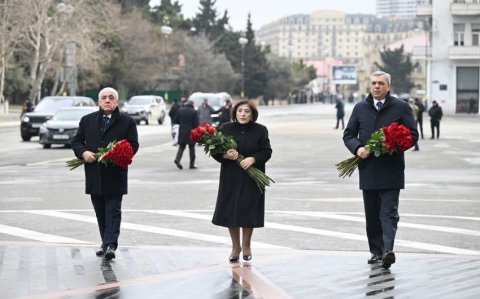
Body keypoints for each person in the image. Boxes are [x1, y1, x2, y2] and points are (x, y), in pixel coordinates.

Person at [343, 71, 418, 269]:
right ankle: (376, 251)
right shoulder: (360, 108)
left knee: (389, 212)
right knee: (372, 213)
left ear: (388, 86)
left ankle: (388, 251)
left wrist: (393, 145)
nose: (376, 86)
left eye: (380, 83)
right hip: (368, 168)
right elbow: (348, 134)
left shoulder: (401, 108)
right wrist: (358, 148)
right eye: (373, 83)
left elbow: (412, 135)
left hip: (392, 169)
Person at [71, 87, 139, 260]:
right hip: (94, 174)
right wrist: (83, 153)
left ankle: (111, 244)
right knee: (100, 211)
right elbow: (77, 141)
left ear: (116, 102)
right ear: (99, 101)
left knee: (113, 210)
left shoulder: (127, 121)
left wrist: (116, 154)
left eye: (111, 98)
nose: (107, 100)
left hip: (115, 174)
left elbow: (133, 145)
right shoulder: (87, 120)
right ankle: (105, 242)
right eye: (104, 98)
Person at [211, 100, 272, 263]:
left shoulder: (260, 130)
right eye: (240, 111)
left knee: (248, 211)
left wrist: (253, 159)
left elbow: (267, 151)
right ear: (234, 113)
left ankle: (246, 245)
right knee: (232, 212)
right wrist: (225, 155)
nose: (243, 114)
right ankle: (235, 246)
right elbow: (215, 150)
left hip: (252, 177)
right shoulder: (225, 129)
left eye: (247, 111)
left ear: (252, 114)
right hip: (231, 176)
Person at [173, 100, 199, 169]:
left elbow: (175, 120)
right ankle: (191, 164)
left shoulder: (180, 110)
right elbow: (196, 124)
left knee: (181, 147)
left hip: (182, 131)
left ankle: (177, 159)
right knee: (191, 148)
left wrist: (182, 123)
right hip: (191, 132)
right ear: (192, 105)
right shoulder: (194, 112)